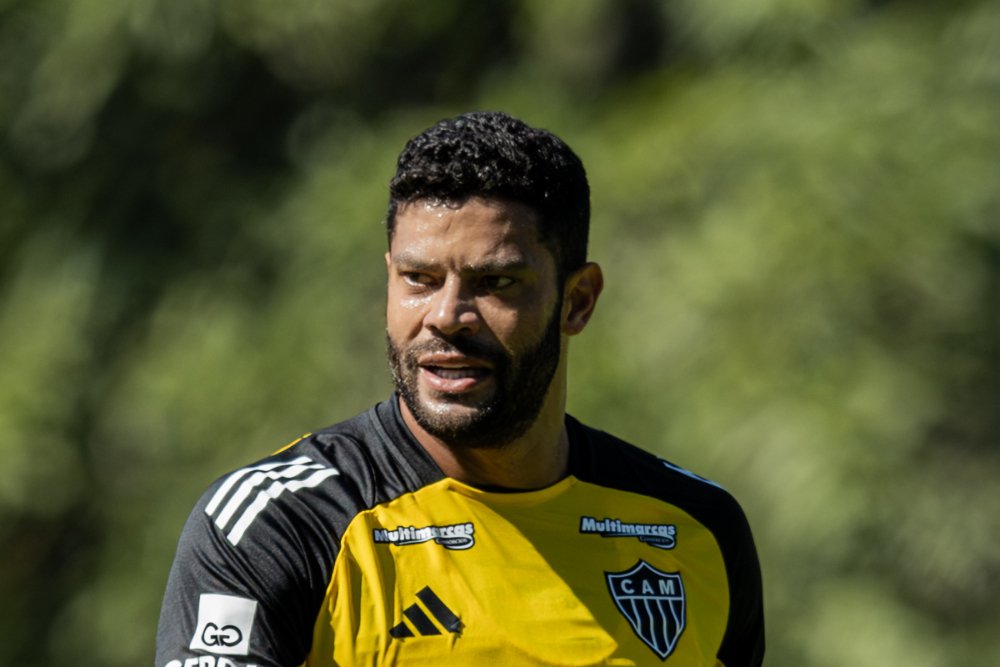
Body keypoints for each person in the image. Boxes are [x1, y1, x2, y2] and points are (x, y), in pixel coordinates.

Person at [155, 111, 764, 666]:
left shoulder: (696, 528)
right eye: (419, 279)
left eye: (496, 282)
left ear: (577, 301)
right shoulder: (279, 525)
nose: (447, 316)